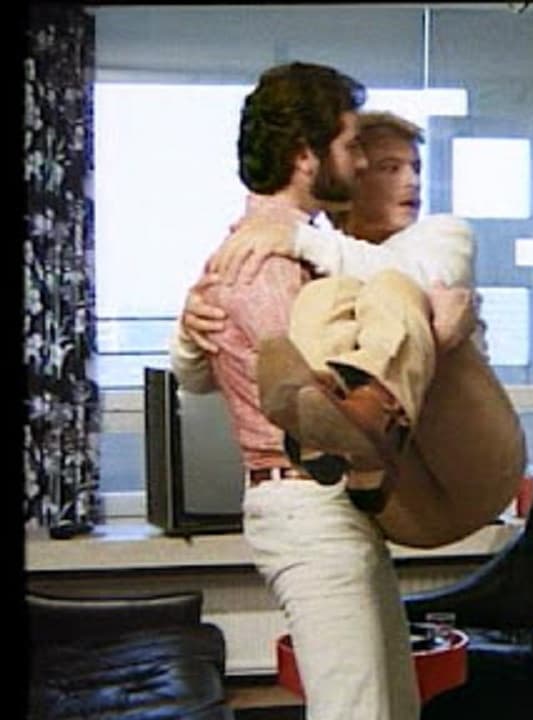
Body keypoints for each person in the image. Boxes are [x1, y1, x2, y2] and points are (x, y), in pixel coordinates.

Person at [167, 62, 420, 720]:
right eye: (350, 145)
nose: (360, 162)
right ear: (306, 155)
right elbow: (322, 387)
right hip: (307, 504)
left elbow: (200, 372)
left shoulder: (299, 249)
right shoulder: (265, 262)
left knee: (392, 706)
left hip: (332, 505)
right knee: (355, 710)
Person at [173, 109, 525, 549]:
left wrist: (297, 237)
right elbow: (200, 380)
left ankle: (370, 409)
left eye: (415, 168)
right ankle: (342, 422)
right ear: (352, 176)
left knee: (390, 288)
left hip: (473, 469)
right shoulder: (318, 265)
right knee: (323, 299)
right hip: (395, 493)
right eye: (389, 168)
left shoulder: (442, 235)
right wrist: (191, 329)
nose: (412, 182)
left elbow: (422, 278)